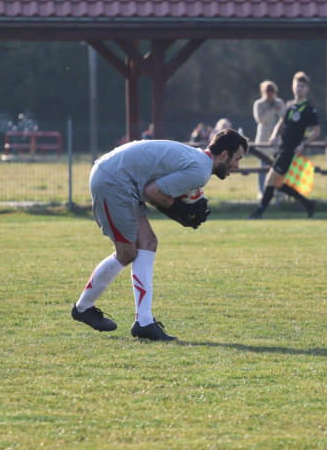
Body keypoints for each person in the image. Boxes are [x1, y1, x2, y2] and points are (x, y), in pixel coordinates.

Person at [71, 128, 249, 341]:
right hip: (114, 180)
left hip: (120, 178)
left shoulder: (198, 160)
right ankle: (83, 307)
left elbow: (151, 189)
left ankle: (143, 322)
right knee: (126, 253)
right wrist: (181, 210)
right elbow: (151, 192)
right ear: (224, 155)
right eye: (237, 159)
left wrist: (176, 209)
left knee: (148, 242)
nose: (237, 166)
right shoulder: (200, 172)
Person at [247, 71, 320, 219]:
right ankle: (308, 204)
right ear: (292, 87)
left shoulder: (309, 110)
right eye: (297, 85)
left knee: (270, 179)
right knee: (278, 183)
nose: (299, 88)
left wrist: (303, 144)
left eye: (303, 86)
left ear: (307, 90)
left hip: (290, 150)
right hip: (282, 147)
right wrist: (274, 135)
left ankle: (258, 212)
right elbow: (281, 122)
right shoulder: (289, 106)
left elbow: (317, 131)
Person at [252, 80, 284, 196]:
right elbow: (261, 119)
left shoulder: (280, 102)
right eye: (267, 90)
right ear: (263, 91)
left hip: (277, 139)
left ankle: (278, 192)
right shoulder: (259, 104)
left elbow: (283, 117)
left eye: (272, 90)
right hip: (264, 138)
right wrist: (273, 110)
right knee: (262, 166)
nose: (270, 92)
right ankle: (262, 191)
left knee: (278, 167)